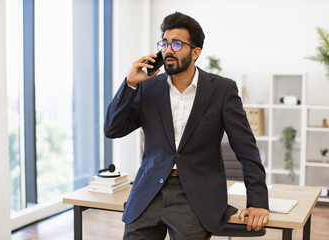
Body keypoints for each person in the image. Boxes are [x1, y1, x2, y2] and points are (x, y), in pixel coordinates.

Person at [104, 12, 269, 240]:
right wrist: (130, 83)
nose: (168, 49)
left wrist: (258, 202)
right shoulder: (148, 88)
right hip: (149, 192)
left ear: (195, 52)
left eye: (176, 43)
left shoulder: (221, 90)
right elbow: (113, 129)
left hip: (195, 195)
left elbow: (246, 149)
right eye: (164, 43)